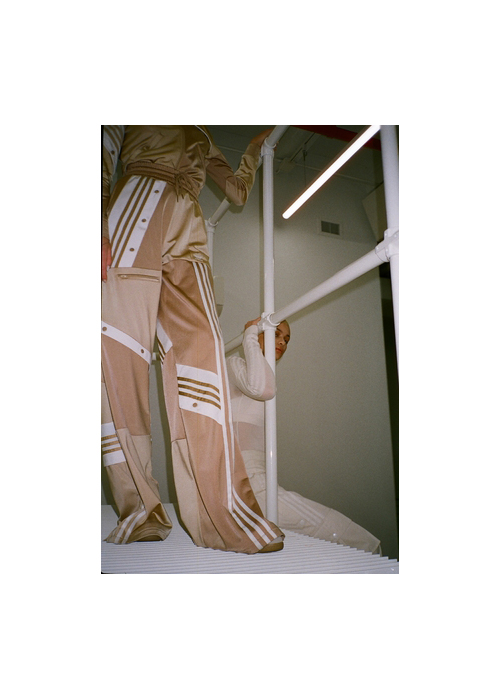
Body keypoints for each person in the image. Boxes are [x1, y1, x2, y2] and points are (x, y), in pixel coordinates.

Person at [101, 126, 284, 553]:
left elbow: (237, 192)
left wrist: (253, 150)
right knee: (120, 355)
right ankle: (140, 509)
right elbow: (101, 151)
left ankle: (221, 512)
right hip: (132, 210)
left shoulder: (203, 134)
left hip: (189, 229)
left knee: (204, 354)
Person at [226, 318, 381, 553]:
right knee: (359, 540)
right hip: (250, 483)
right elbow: (260, 388)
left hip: (259, 482)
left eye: (286, 339)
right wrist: (249, 334)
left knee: (352, 541)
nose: (282, 342)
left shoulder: (262, 376)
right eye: (276, 334)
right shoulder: (234, 364)